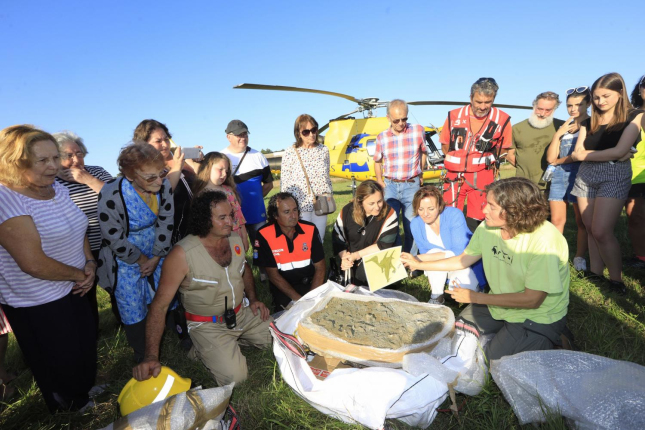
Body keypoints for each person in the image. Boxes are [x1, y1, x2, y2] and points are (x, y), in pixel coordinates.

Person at [401, 178, 571, 361]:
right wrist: (419, 264)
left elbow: (533, 300)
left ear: (514, 210)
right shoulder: (488, 227)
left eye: (491, 206)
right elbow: (462, 260)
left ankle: (556, 337)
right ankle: (513, 336)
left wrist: (476, 298)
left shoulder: (544, 240)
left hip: (538, 314)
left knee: (489, 361)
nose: (483, 210)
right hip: (499, 303)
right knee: (458, 333)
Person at [0, 125, 97, 413]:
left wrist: (90, 264)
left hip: (76, 284)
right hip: (38, 300)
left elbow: (78, 229)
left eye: (56, 158)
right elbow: (33, 262)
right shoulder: (6, 198)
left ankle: (85, 389)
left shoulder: (59, 189)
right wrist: (80, 275)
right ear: (16, 161)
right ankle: (69, 408)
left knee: (83, 345)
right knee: (58, 357)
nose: (54, 166)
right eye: (43, 161)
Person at [132, 191, 271, 386]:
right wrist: (150, 356)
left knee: (280, 341)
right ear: (205, 219)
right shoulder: (181, 255)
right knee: (236, 378)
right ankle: (200, 347)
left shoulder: (234, 240)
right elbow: (160, 306)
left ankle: (224, 345)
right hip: (208, 326)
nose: (230, 222)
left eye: (231, 215)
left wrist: (254, 299)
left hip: (242, 314)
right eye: (222, 218)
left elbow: (244, 269)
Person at [97, 143, 175, 362]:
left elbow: (166, 221)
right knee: (131, 302)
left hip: (158, 246)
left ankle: (173, 337)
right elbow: (112, 235)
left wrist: (157, 256)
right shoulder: (111, 193)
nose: (159, 181)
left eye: (161, 173)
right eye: (151, 178)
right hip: (125, 254)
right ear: (130, 176)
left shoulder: (165, 186)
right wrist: (141, 260)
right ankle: (142, 353)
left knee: (165, 291)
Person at [571, 72, 644, 294]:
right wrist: (610, 154)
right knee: (591, 228)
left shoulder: (635, 116)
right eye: (596, 97)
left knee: (602, 230)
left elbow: (620, 151)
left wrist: (591, 154)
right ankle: (596, 272)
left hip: (614, 175)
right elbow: (576, 153)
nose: (600, 102)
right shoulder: (587, 120)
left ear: (620, 93)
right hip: (585, 176)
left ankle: (616, 280)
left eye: (606, 96)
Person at [53, 131, 118, 326]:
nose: (76, 160)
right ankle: (91, 331)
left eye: (79, 153)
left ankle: (124, 321)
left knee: (116, 285)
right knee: (84, 291)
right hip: (77, 249)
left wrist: (88, 180)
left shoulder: (96, 172)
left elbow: (119, 199)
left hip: (109, 242)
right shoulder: (51, 182)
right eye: (68, 155)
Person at [439, 78, 512, 231]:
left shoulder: (503, 119)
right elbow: (445, 143)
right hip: (454, 175)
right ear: (471, 97)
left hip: (482, 175)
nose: (482, 106)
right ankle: (451, 251)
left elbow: (504, 147)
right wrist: (458, 161)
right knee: (449, 215)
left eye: (488, 102)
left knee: (482, 217)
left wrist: (484, 162)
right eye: (479, 102)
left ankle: (478, 252)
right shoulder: (454, 116)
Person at [409, 186, 485, 305]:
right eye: (420, 209)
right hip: (440, 265)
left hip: (464, 262)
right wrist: (420, 259)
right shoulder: (415, 224)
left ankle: (477, 288)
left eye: (431, 209)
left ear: (439, 206)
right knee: (432, 254)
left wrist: (417, 260)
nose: (425, 214)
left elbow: (459, 252)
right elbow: (426, 252)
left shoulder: (454, 214)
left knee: (459, 293)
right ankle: (436, 296)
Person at [254, 192, 325, 312]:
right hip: (283, 288)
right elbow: (273, 275)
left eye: (295, 210)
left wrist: (311, 298)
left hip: (311, 285)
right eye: (287, 212)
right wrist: (299, 300)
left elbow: (320, 267)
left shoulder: (310, 229)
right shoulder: (264, 234)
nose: (293, 215)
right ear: (275, 215)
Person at [545, 88, 591, 271]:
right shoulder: (565, 127)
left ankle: (579, 257)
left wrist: (557, 161)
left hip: (580, 174)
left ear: (588, 104)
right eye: (569, 105)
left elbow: (577, 156)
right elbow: (550, 158)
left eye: (578, 104)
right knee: (557, 220)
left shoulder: (591, 125)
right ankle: (555, 256)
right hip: (559, 176)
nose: (573, 109)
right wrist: (558, 134)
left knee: (581, 221)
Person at [374, 100, 427, 252]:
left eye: (404, 119)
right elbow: (377, 160)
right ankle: (395, 262)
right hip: (390, 186)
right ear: (388, 118)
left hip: (411, 184)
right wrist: (379, 180)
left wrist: (420, 173)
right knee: (391, 227)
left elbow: (423, 152)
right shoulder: (381, 137)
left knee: (412, 226)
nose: (401, 123)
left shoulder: (418, 131)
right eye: (396, 120)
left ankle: (411, 261)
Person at [134, 119, 196, 244]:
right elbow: (161, 194)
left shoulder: (180, 161)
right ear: (144, 144)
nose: (165, 144)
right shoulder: (142, 171)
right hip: (171, 237)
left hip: (194, 228)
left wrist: (195, 164)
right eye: (158, 141)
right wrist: (177, 166)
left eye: (166, 139)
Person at [332, 180, 400, 287]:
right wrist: (345, 258)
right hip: (351, 258)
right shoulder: (346, 212)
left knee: (363, 275)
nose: (377, 207)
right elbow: (337, 239)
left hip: (379, 259)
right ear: (360, 201)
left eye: (380, 201)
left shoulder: (390, 213)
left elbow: (384, 244)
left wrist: (357, 255)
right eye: (371, 203)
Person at [280, 114, 333, 243]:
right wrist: (286, 204)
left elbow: (327, 175)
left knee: (319, 238)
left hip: (322, 202)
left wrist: (329, 194)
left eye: (314, 130)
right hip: (300, 204)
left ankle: (318, 262)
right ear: (298, 134)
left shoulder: (323, 150)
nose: (311, 134)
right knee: (303, 240)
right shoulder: (290, 152)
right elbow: (285, 181)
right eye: (306, 132)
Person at [221, 120, 273, 246]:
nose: (243, 138)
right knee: (236, 254)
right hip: (232, 218)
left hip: (257, 216)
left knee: (262, 252)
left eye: (245, 134)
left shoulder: (258, 156)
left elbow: (268, 184)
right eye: (239, 135)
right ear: (228, 137)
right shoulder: (221, 157)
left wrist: (254, 200)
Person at [508, 91, 565, 191]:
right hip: (523, 186)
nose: (542, 114)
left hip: (552, 186)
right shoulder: (517, 128)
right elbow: (509, 155)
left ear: (554, 109)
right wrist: (526, 170)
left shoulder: (562, 127)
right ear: (534, 106)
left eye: (548, 110)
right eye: (539, 109)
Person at [193, 151, 249, 251]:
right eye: (220, 169)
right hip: (216, 240)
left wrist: (244, 237)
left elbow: (239, 216)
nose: (224, 174)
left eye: (226, 171)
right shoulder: (201, 194)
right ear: (208, 168)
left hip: (236, 236)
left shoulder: (229, 190)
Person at [625, 75, 645, 269]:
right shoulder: (631, 115)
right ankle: (641, 257)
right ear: (640, 89)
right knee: (635, 216)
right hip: (632, 175)